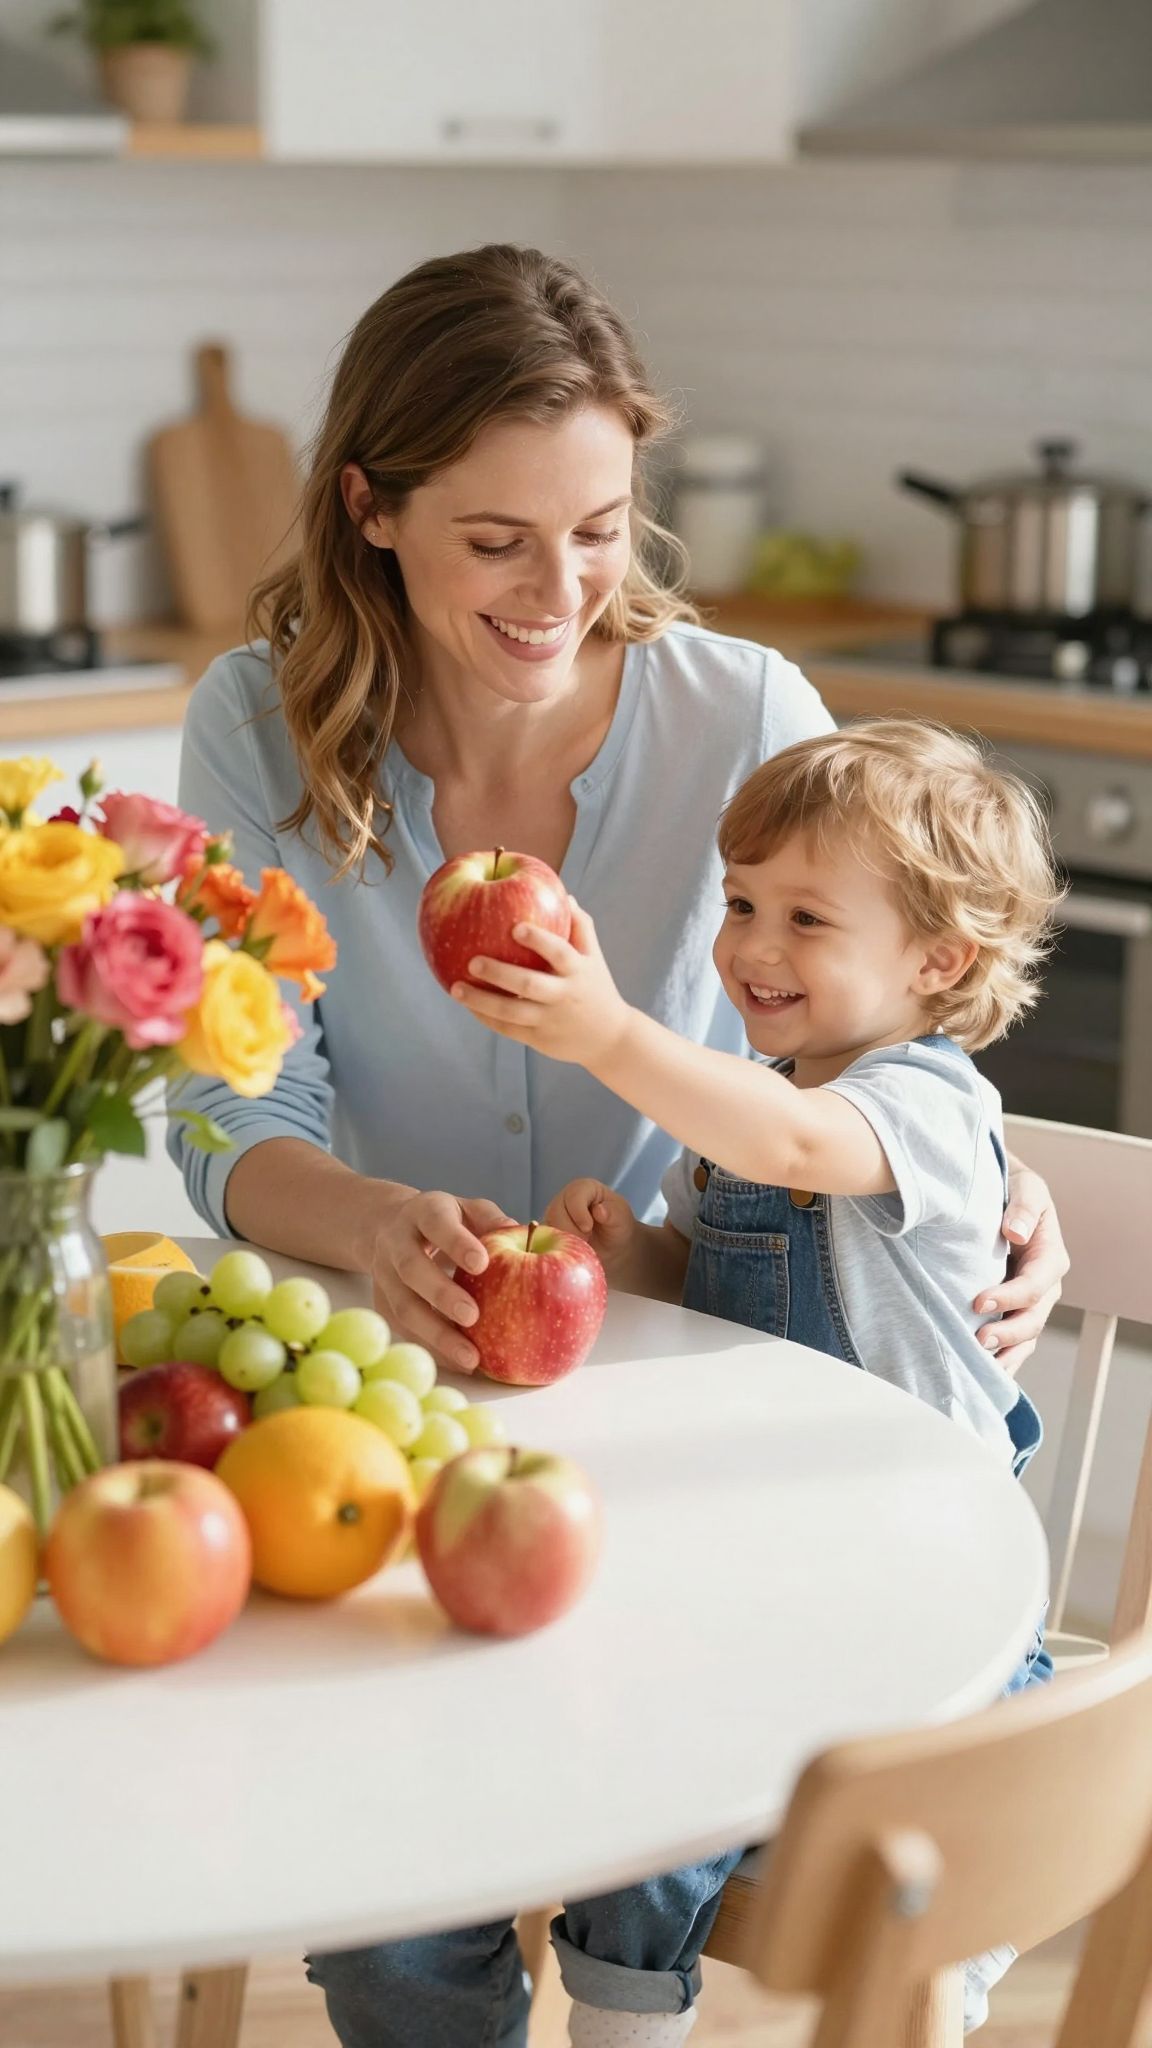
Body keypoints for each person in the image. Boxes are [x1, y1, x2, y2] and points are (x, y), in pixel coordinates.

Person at [170, 245, 1068, 2048]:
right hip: (401, 1381)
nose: (560, 587)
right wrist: (368, 1229)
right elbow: (227, 1106)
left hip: (698, 1399)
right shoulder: (254, 728)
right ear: (374, 509)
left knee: (657, 1711)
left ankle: (626, 1995)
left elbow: (866, 1014)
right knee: (382, 1804)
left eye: (598, 527)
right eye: (497, 537)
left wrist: (987, 1179)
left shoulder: (738, 713)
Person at [456, 715, 1063, 2033]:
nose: (750, 948)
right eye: (740, 905)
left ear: (939, 959)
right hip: (782, 1567)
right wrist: (637, 1253)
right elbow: (724, 1272)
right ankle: (623, 2007)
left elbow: (801, 1148)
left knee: (683, 1740)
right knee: (653, 1768)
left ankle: (945, 1942)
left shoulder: (924, 1108)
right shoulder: (758, 1092)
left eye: (805, 918)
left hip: (932, 1601)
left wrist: (608, 1032)